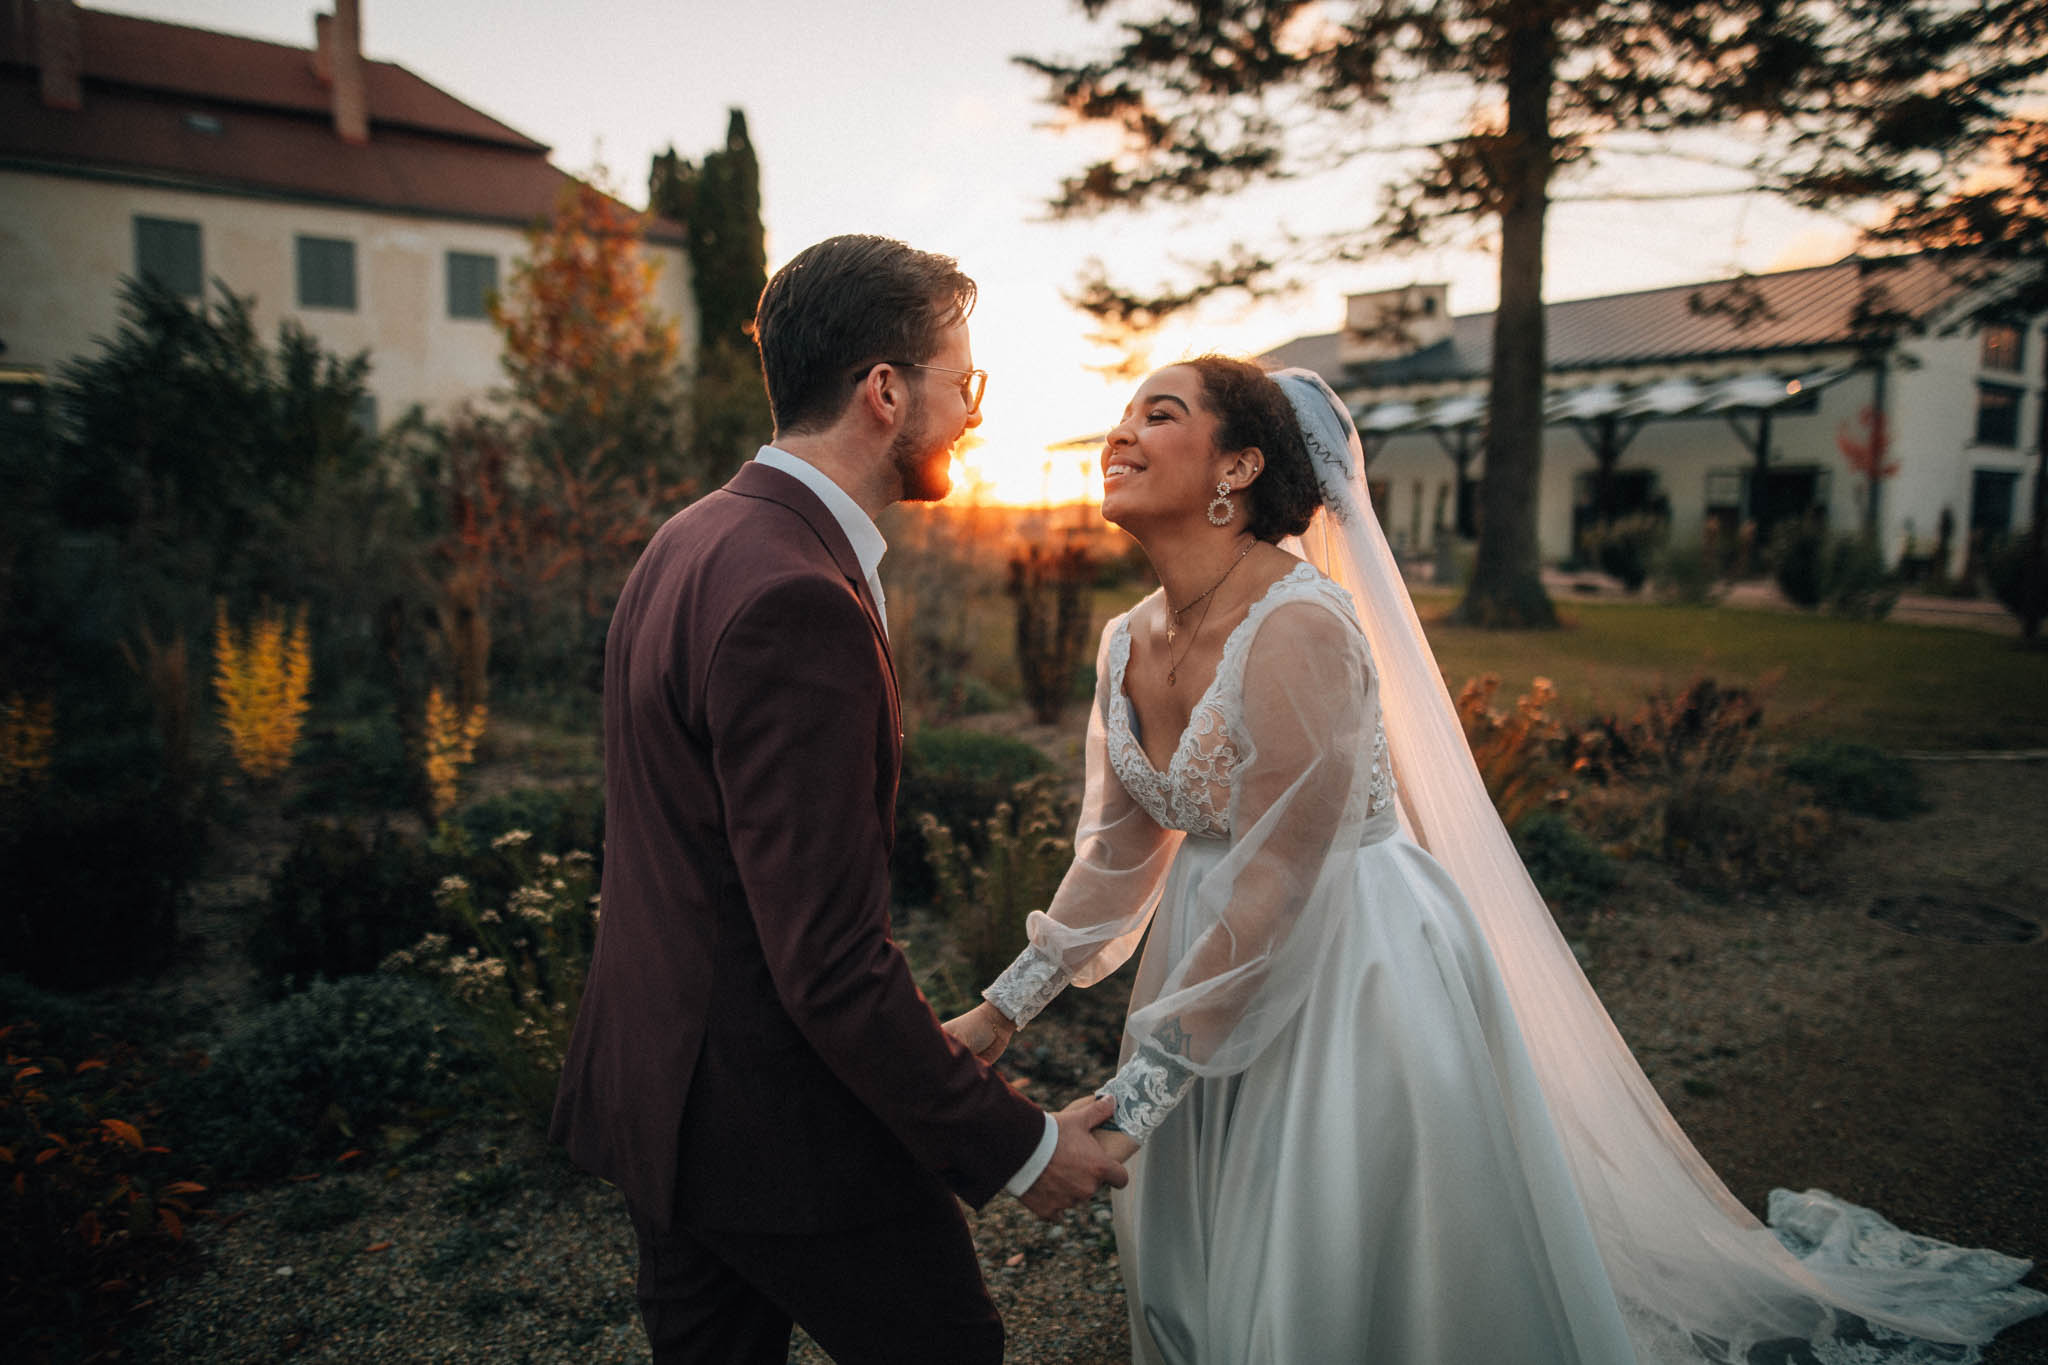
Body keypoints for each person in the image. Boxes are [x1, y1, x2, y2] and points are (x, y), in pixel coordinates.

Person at [946, 357, 2048, 1364]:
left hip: (1347, 966)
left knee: (1341, 1247)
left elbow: (1280, 888)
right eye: (1120, 414)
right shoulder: (1124, 638)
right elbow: (1118, 853)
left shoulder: (1301, 629)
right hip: (1207, 949)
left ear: (1238, 465)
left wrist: (1135, 1097)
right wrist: (998, 1014)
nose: (1119, 431)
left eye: (1158, 412)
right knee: (1209, 1248)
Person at [551, 234, 1127, 1365]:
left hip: (657, 1096)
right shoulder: (793, 599)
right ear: (882, 391)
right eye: (961, 382)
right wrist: (1013, 1145)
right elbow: (824, 961)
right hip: (780, 1133)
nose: (971, 411)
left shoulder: (690, 537)